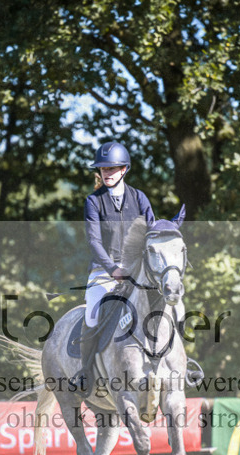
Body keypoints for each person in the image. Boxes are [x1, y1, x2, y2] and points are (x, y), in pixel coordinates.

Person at [73, 141, 156, 396]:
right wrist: (112, 269)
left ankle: (175, 365)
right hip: (104, 270)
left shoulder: (139, 197)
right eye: (103, 169)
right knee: (92, 313)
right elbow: (94, 241)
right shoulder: (93, 201)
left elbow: (151, 231)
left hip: (137, 270)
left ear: (124, 170)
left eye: (112, 169)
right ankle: (86, 371)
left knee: (165, 305)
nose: (106, 173)